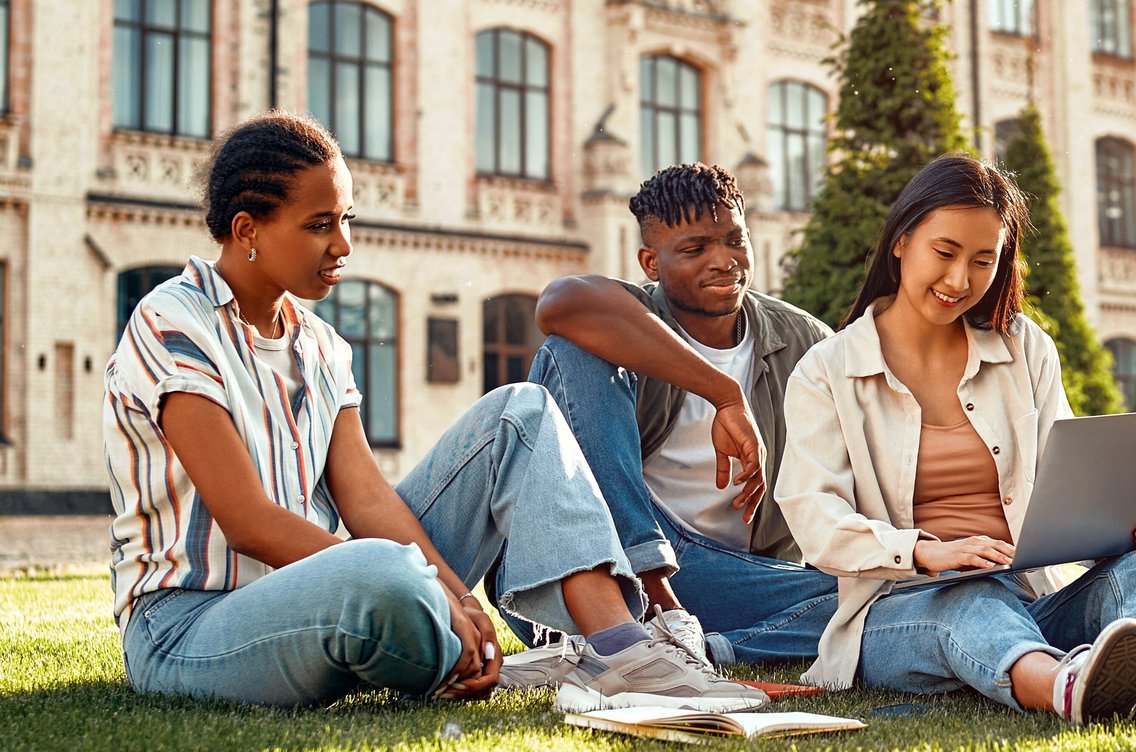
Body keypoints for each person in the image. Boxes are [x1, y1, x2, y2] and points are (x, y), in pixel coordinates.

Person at [104, 113, 764, 712]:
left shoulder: (320, 344)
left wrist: (452, 589)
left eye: (346, 219)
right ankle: (448, 641)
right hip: (191, 624)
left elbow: (367, 498)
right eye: (319, 224)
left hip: (339, 586)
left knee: (520, 412)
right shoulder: (174, 322)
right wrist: (434, 589)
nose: (344, 244)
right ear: (247, 229)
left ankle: (618, 648)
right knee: (379, 572)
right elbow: (248, 521)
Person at [776, 154, 1136, 724]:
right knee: (969, 601)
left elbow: (1065, 479)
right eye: (944, 253)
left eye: (983, 261)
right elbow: (813, 516)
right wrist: (924, 552)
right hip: (904, 611)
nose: (960, 280)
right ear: (900, 241)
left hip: (1029, 598)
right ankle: (1067, 688)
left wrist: (1119, 527)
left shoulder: (1023, 348)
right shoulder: (827, 371)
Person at [508, 162, 837, 682]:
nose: (724, 262)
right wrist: (723, 394)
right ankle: (652, 602)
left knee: (871, 599)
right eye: (695, 249)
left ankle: (706, 650)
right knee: (574, 350)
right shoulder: (623, 318)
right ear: (651, 262)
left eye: (735, 241)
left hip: (723, 576)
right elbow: (559, 302)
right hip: (593, 561)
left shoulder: (806, 343)